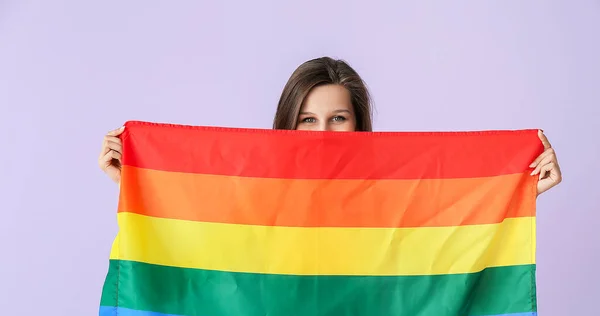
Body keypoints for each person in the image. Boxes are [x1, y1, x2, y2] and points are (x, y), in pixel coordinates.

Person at [98, 56, 562, 194]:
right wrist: (135, 187)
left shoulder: (387, 193)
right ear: (288, 125)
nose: (322, 132)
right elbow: (196, 250)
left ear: (359, 125)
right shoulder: (255, 193)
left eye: (338, 118)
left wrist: (522, 190)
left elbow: (454, 234)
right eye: (308, 120)